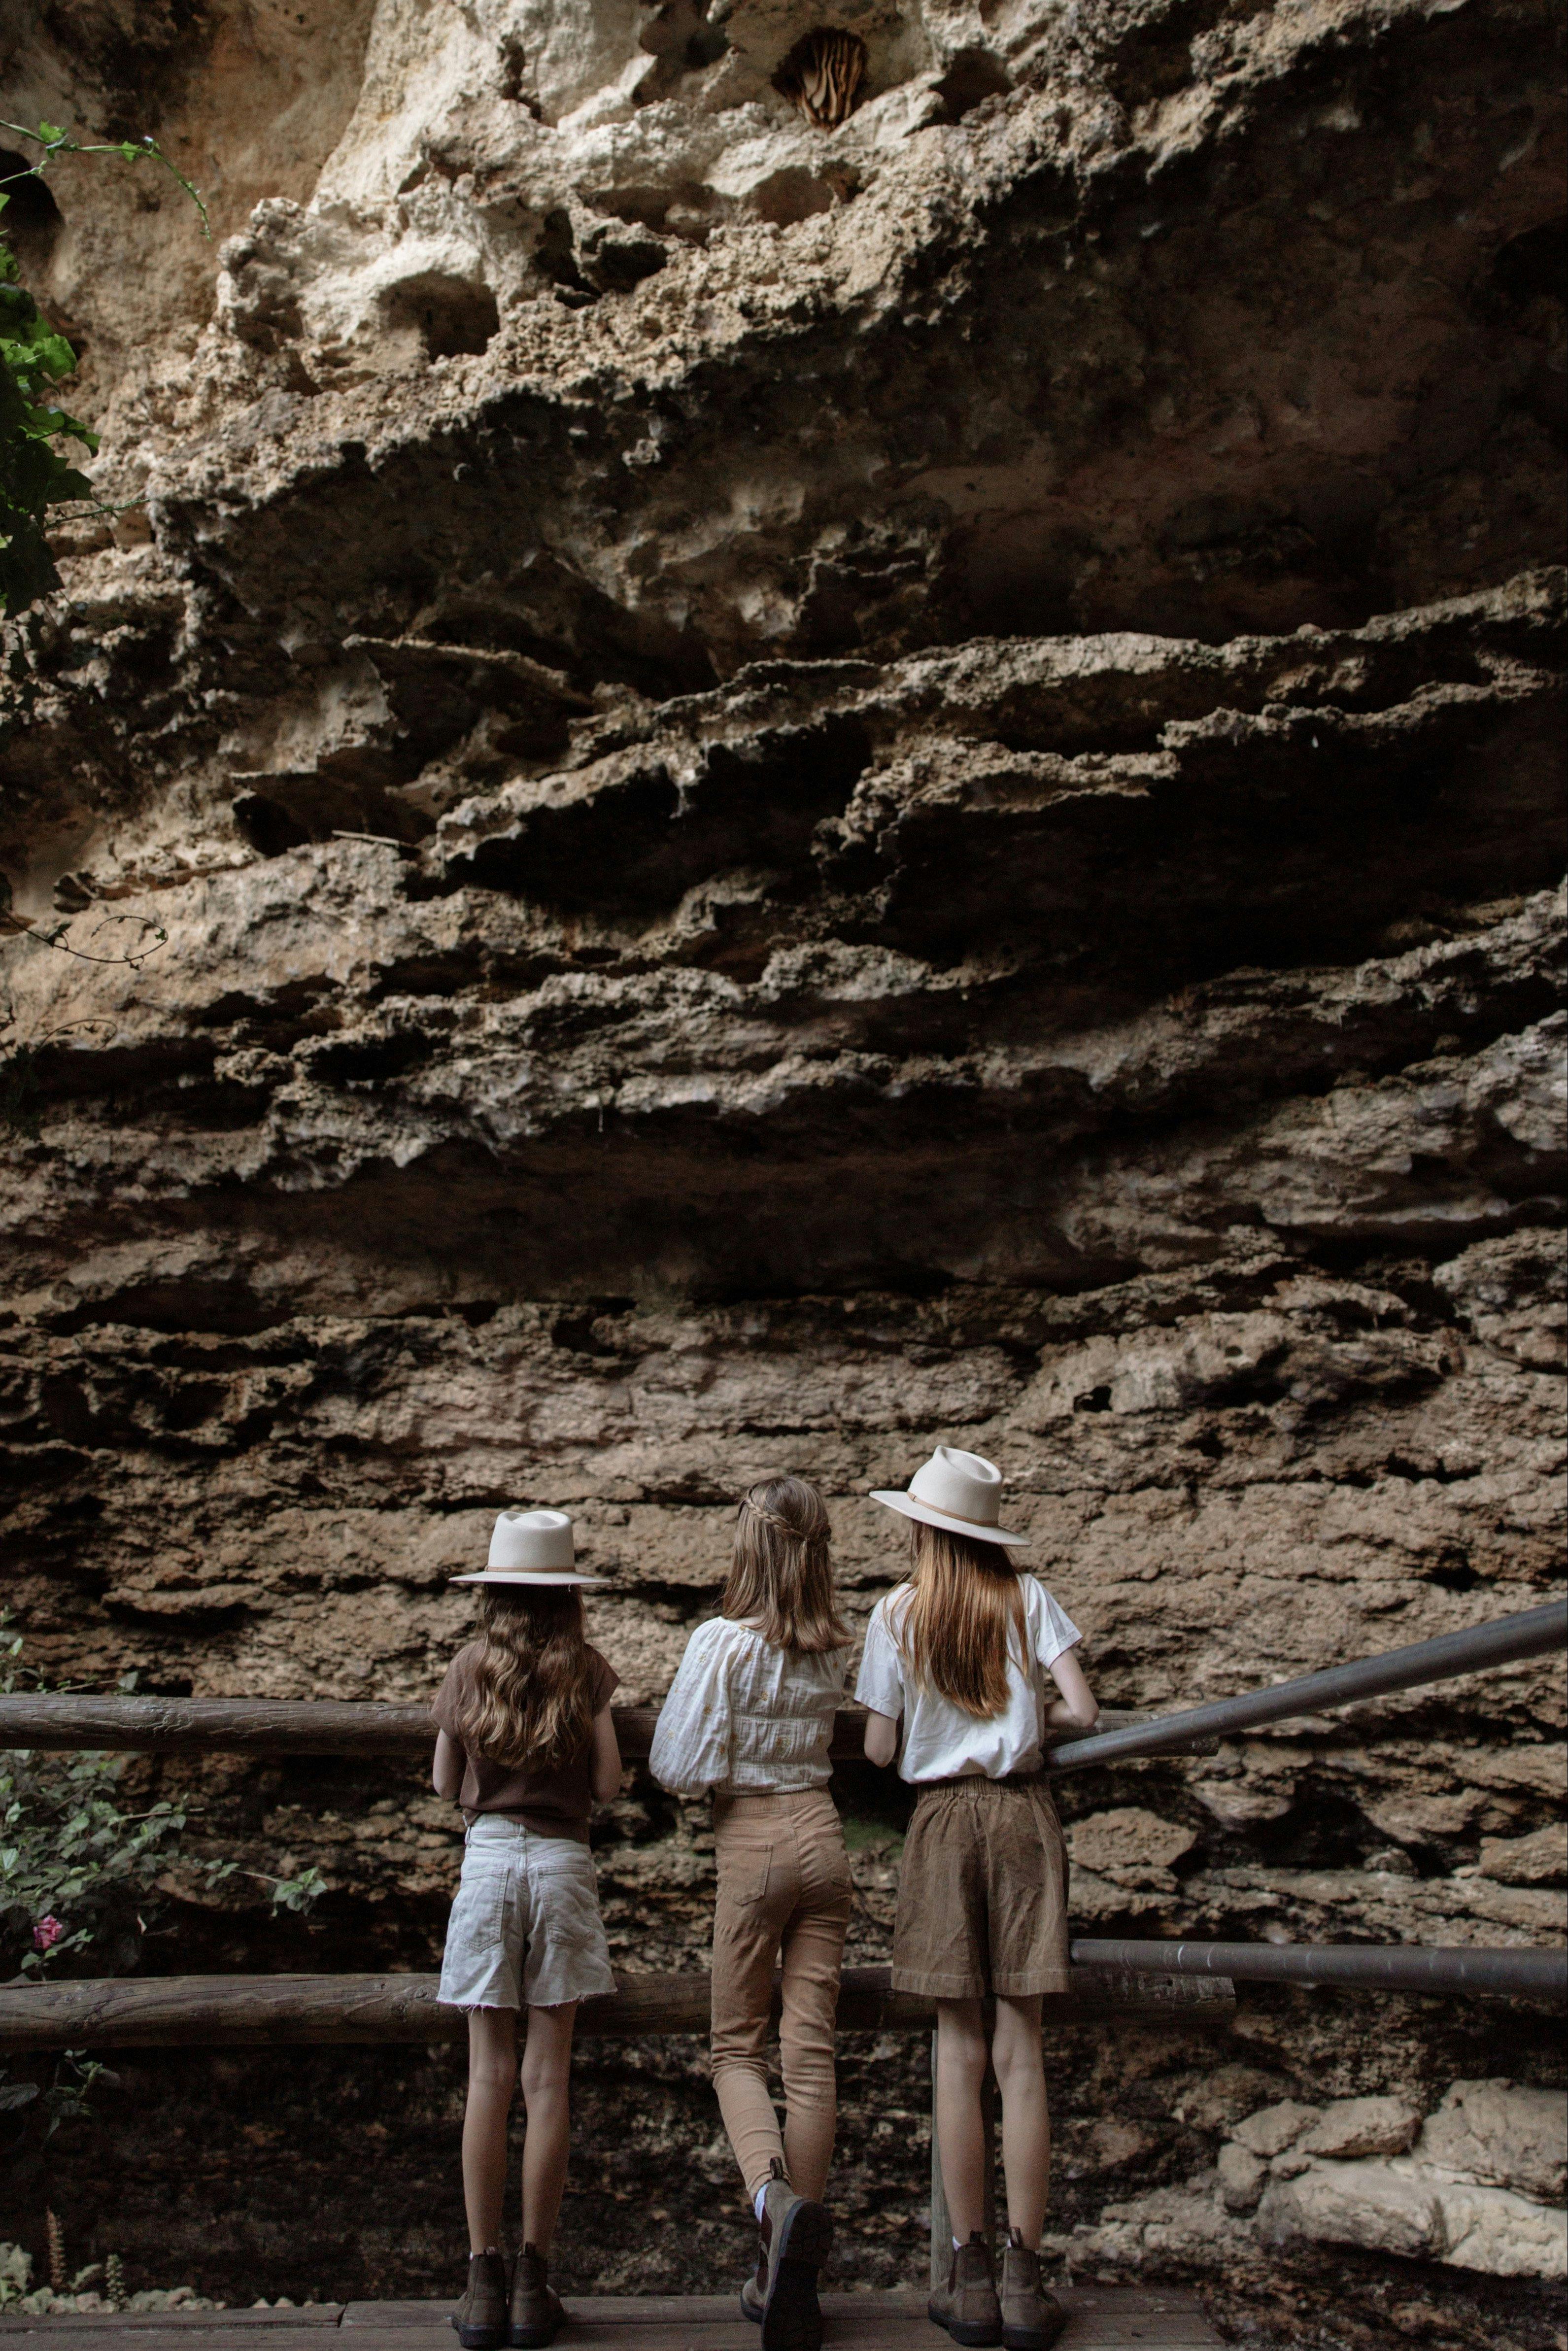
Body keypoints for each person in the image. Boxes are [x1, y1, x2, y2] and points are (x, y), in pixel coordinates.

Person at [856, 1448, 1098, 2351]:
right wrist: (1021, 1716)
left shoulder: (895, 1613)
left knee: (955, 2047)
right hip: (1023, 1817)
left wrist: (927, 1722)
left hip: (940, 1824)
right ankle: (1027, 2278)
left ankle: (968, 2275)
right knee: (1020, 2047)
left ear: (922, 1528)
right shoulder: (1026, 1599)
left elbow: (880, 1749)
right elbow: (1082, 1710)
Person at [650, 1477, 855, 2351]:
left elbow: (677, 1762)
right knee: (809, 2052)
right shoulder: (832, 1649)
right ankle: (788, 2273)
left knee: (736, 2044)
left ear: (748, 1548)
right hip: (826, 1835)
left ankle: (773, 2206)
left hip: (754, 1845)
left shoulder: (722, 1644)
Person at [433, 1508, 622, 2351]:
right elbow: (611, 1782)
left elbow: (444, 1784)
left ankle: (481, 2282)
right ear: (568, 1598)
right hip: (561, 1868)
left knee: (488, 2079)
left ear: (493, 1596)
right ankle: (535, 2281)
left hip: (487, 1865)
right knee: (548, 2082)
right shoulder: (586, 1671)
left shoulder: (469, 1666)